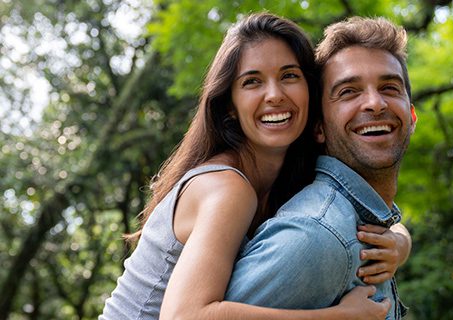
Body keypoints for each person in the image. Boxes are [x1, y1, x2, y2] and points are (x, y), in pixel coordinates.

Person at [100, 13, 408, 320]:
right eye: (252, 82)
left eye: (289, 75)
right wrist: (339, 317)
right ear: (230, 106)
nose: (274, 95)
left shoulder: (290, 179)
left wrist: (399, 241)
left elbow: (361, 208)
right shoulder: (228, 188)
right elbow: (183, 317)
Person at [225, 16, 415, 320]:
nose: (375, 103)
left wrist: (402, 241)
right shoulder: (316, 235)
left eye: (390, 88)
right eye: (348, 91)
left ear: (412, 115)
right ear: (318, 128)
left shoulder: (364, 222)